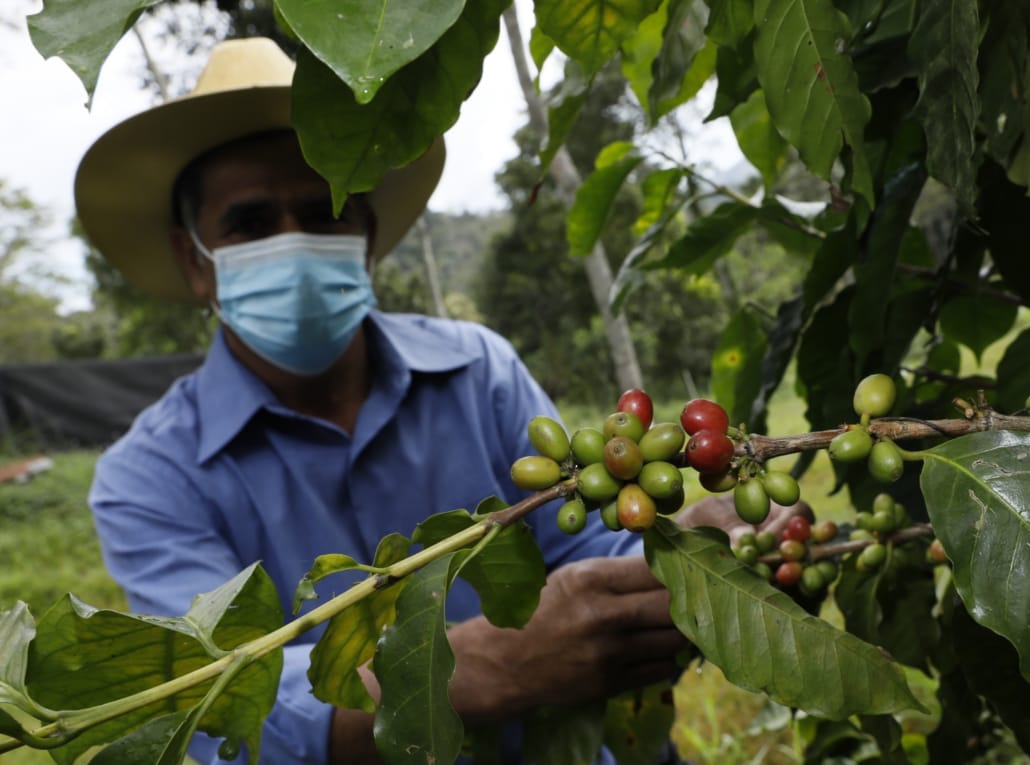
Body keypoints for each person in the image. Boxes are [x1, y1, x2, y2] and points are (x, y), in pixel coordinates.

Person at [78, 37, 743, 765]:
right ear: (192, 261)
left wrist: (697, 558)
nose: (294, 243)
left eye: (323, 206)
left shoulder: (479, 370)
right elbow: (217, 702)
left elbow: (582, 541)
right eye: (250, 223)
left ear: (364, 232)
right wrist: (484, 666)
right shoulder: (149, 477)